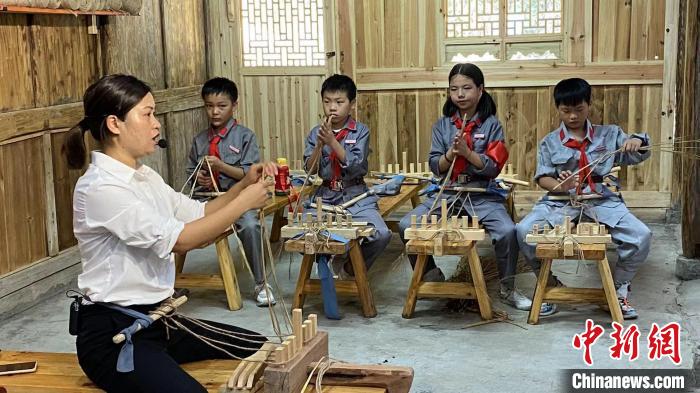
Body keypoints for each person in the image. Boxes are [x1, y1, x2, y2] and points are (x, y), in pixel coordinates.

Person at [64, 74, 275, 392]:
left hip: (159, 320)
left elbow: (199, 214)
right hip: (113, 334)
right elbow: (181, 240)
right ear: (114, 123)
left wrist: (244, 184)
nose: (156, 124)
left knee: (258, 345)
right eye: (147, 114)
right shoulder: (99, 188)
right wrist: (245, 202)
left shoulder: (144, 176)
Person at [397, 63, 533, 311]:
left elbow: (493, 167)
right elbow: (435, 167)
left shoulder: (492, 125)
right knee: (406, 225)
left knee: (507, 231)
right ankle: (431, 275)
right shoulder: (442, 126)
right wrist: (450, 154)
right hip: (446, 193)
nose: (460, 94)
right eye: (454, 89)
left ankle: (507, 287)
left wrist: (468, 154)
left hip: (482, 194)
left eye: (466, 88)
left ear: (480, 90)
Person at [515, 77, 651, 319]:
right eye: (566, 111)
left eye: (579, 109)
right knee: (523, 230)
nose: (573, 116)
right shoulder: (549, 142)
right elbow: (542, 178)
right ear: (558, 109)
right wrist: (562, 186)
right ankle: (549, 284)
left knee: (641, 236)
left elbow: (638, 153)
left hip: (601, 199)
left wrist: (637, 141)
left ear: (589, 105)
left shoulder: (609, 135)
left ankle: (618, 289)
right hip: (561, 201)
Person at [185, 77, 274, 306]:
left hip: (239, 197)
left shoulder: (245, 137)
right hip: (207, 199)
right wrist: (200, 176)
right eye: (209, 106)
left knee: (251, 225)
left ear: (234, 105)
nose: (214, 112)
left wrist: (221, 167)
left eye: (221, 106)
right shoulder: (199, 140)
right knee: (173, 222)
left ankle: (261, 283)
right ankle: (168, 284)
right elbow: (191, 171)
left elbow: (250, 175)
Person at [303, 74, 392, 276]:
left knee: (382, 234)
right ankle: (325, 261)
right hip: (324, 196)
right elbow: (310, 170)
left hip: (355, 195)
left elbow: (358, 167)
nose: (332, 107)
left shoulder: (360, 131)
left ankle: (350, 269)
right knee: (299, 234)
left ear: (351, 104)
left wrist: (333, 142)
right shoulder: (316, 132)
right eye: (327, 102)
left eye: (339, 102)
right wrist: (319, 145)